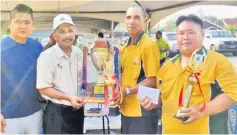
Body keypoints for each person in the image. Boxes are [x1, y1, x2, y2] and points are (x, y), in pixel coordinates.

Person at [141, 14, 237, 134]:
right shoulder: (167, 67)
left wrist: (202, 111)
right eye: (181, 33)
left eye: (191, 32)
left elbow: (233, 94)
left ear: (202, 35)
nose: (185, 37)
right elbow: (164, 97)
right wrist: (153, 103)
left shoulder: (217, 61)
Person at [111, 5, 160, 134]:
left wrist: (127, 91)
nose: (131, 21)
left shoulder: (148, 45)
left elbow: (153, 80)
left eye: (136, 17)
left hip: (143, 111)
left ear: (145, 21)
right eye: (128, 17)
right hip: (126, 109)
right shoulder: (123, 49)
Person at [37, 14, 84, 134]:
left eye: (70, 30)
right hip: (56, 114)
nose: (68, 35)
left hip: (77, 112)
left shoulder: (79, 53)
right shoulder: (46, 56)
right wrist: (69, 98)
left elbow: (83, 79)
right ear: (55, 36)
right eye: (62, 31)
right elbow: (43, 89)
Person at [1, 4, 43, 134]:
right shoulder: (1, 48)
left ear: (33, 25)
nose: (22, 26)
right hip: (8, 117)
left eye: (27, 22)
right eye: (18, 22)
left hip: (35, 113)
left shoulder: (37, 47)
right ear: (9, 23)